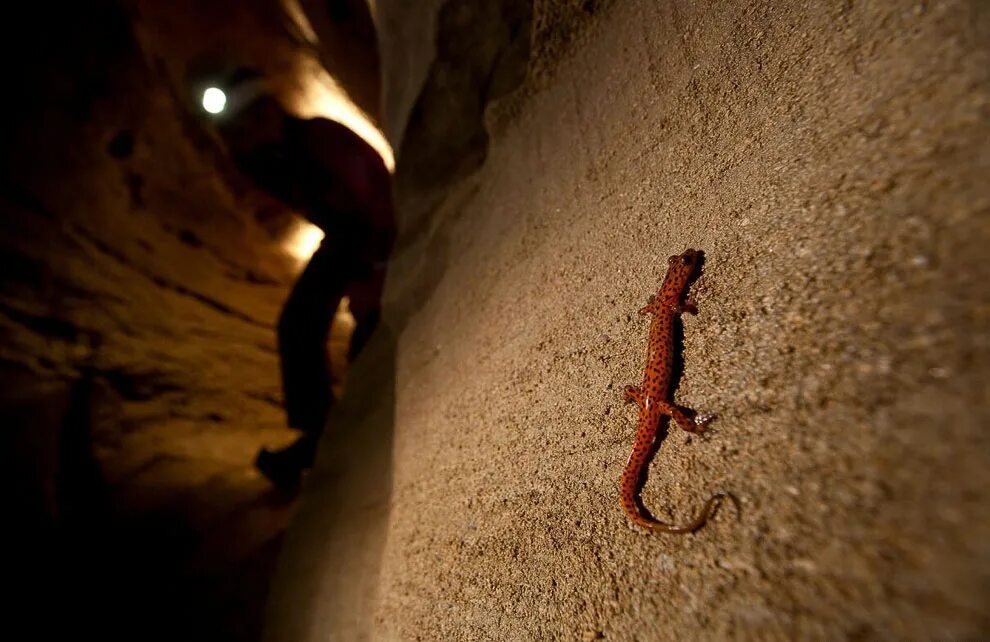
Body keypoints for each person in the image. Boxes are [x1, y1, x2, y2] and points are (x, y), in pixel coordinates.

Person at [216, 83, 394, 487]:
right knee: (297, 324)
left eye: (255, 119)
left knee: (372, 333)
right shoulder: (274, 163)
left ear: (273, 111)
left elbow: (376, 190)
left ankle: (363, 424)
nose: (249, 132)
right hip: (345, 237)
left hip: (374, 230)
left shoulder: (319, 136)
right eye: (241, 128)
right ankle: (322, 432)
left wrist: (381, 262)